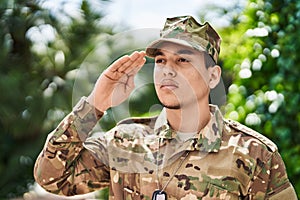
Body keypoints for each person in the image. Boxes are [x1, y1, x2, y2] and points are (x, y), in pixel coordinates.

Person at [34, 15, 297, 199]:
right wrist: (94, 104)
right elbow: (51, 178)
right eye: (160, 61)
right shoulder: (125, 141)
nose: (167, 71)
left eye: (183, 60)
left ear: (213, 76)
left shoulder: (255, 154)